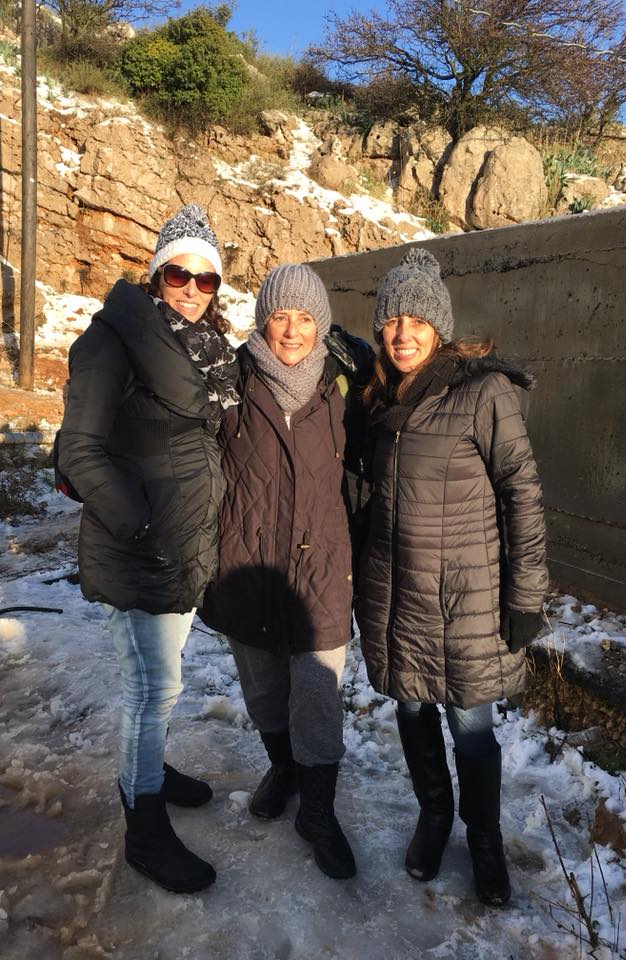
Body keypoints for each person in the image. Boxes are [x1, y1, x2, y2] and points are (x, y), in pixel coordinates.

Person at [357, 247, 548, 906]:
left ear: (438, 328)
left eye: (417, 321)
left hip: (467, 598)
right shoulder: (379, 398)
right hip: (399, 595)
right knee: (412, 708)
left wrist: (526, 595)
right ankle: (434, 815)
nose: (403, 334)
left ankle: (484, 840)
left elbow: (522, 493)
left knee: (471, 725)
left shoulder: (481, 392)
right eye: (391, 321)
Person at [58, 204, 238, 894]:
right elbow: (79, 450)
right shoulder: (112, 341)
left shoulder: (207, 350)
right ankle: (144, 829)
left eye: (206, 279)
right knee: (150, 689)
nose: (192, 289)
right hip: (141, 547)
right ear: (156, 274)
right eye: (178, 274)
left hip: (180, 544)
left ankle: (152, 772)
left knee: (164, 682)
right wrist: (141, 526)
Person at [201, 264, 372, 880]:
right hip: (248, 565)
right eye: (280, 316)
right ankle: (283, 768)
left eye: (304, 317)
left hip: (322, 565)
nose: (292, 330)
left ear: (321, 324)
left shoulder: (346, 385)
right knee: (265, 690)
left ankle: (318, 812)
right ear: (262, 321)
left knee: (318, 698)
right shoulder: (231, 382)